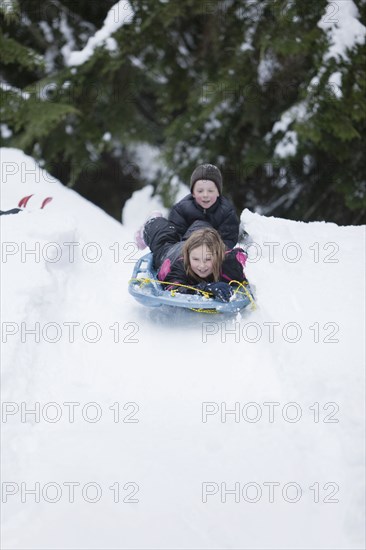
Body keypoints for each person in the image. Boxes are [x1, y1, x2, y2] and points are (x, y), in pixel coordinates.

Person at [142, 216, 247, 302]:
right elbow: (174, 289)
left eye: (208, 259)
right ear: (187, 257)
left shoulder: (228, 261)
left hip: (198, 242)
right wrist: (206, 288)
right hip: (170, 249)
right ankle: (153, 219)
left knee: (203, 225)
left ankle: (191, 226)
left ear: (218, 256)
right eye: (196, 260)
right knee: (159, 229)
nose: (202, 265)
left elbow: (245, 262)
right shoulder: (178, 267)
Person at [168, 163, 240, 249]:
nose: (205, 195)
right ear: (193, 193)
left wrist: (215, 250)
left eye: (210, 191)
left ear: (218, 193)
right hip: (186, 252)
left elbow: (229, 239)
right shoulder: (181, 210)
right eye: (200, 191)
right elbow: (175, 236)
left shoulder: (226, 212)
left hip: (214, 253)